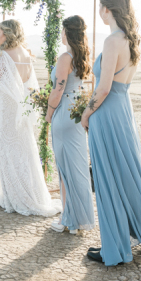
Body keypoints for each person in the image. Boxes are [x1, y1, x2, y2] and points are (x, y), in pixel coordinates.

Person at [81, 0, 141, 266]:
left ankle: (116, 244)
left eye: (101, 7)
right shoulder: (131, 41)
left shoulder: (113, 41)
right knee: (126, 173)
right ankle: (131, 236)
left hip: (107, 112)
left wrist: (86, 114)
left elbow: (104, 87)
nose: (99, 12)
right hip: (122, 110)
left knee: (109, 176)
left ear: (107, 9)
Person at [0, 19, 61, 217]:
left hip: (5, 107)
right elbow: (29, 84)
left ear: (8, 34)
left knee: (7, 149)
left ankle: (13, 197)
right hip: (21, 107)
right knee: (23, 149)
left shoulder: (2, 55)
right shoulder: (26, 54)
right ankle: (29, 192)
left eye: (0, 32)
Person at [45, 16, 94, 232]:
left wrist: (49, 112)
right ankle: (77, 219)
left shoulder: (65, 57)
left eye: (63, 30)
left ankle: (68, 219)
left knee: (65, 168)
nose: (61, 33)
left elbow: (58, 90)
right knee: (78, 166)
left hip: (64, 112)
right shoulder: (82, 56)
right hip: (77, 113)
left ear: (67, 32)